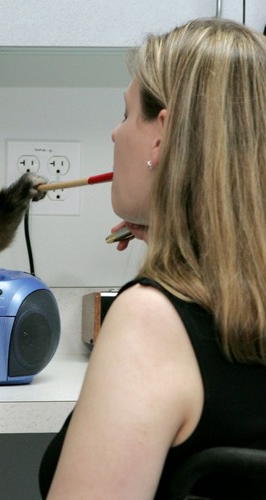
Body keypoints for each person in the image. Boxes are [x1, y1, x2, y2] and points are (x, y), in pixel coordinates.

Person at [39, 18, 266, 499]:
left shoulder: (150, 322)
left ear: (162, 137)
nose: (115, 133)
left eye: (126, 114)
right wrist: (179, 237)